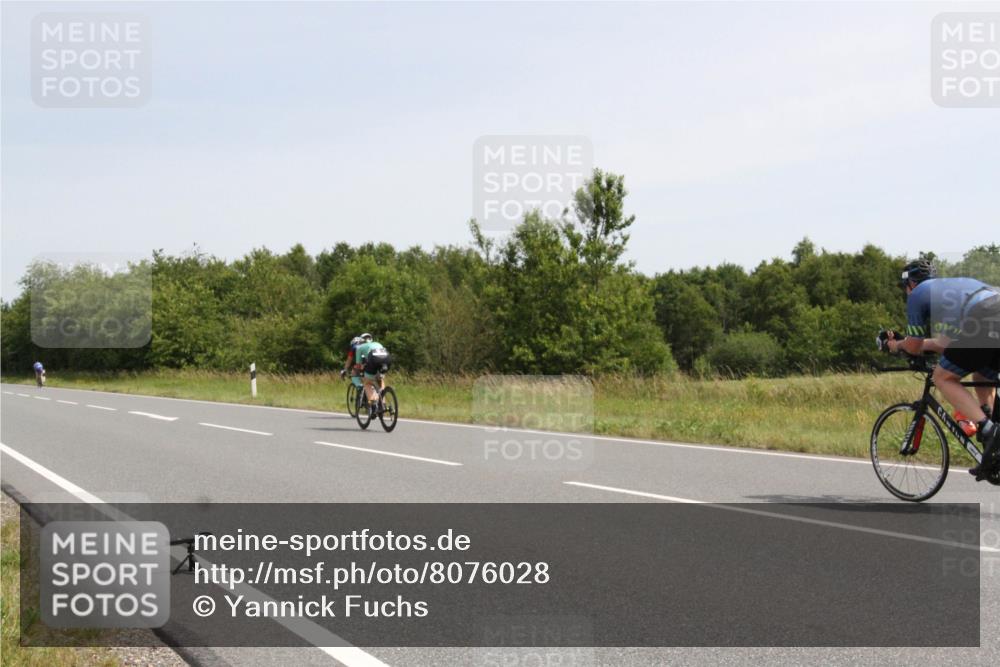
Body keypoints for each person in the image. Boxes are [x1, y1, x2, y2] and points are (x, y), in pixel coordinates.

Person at [884, 259, 1000, 480]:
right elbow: (946, 343)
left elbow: (914, 346)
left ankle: (988, 430)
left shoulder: (918, 295)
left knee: (942, 377)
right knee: (982, 375)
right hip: (993, 307)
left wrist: (895, 345)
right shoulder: (950, 290)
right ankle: (993, 448)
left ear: (910, 283)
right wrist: (916, 343)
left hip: (983, 316)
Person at [353, 333, 391, 417]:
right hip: (386, 358)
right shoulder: (378, 343)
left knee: (367, 383)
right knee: (380, 379)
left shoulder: (359, 348)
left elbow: (358, 365)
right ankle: (383, 403)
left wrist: (356, 373)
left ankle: (373, 405)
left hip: (374, 360)